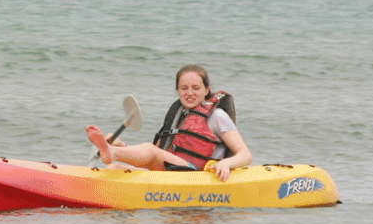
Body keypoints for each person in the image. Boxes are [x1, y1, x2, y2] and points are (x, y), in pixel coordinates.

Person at [86, 64, 252, 181]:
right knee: (114, 170)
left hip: (196, 176)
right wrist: (124, 146)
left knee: (148, 150)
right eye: (184, 88)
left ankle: (111, 152)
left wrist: (226, 163)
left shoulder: (217, 116)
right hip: (170, 173)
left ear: (206, 90)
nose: (189, 93)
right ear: (177, 90)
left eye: (196, 88)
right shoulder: (177, 115)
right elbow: (157, 154)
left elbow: (245, 154)